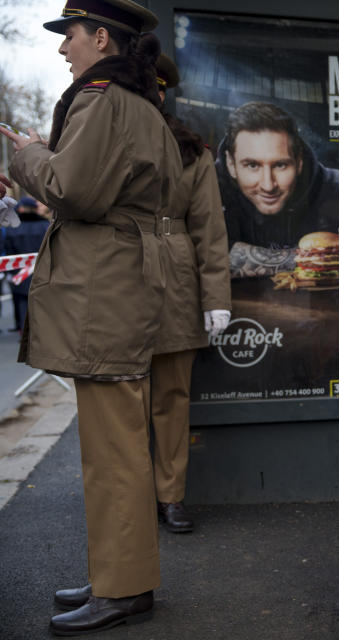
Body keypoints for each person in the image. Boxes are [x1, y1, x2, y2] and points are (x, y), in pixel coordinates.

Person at [0, 1, 182, 634]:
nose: (62, 49)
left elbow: (75, 190)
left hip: (106, 288)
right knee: (118, 443)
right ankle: (117, 575)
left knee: (113, 449)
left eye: (70, 36)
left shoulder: (102, 98)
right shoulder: (136, 101)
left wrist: (28, 155)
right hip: (119, 283)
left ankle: (124, 587)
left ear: (102, 37)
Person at [148, 54, 232, 532]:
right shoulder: (108, 137)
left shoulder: (190, 150)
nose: (152, 97)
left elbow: (208, 226)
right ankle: (129, 499)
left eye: (158, 89)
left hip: (177, 282)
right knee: (123, 405)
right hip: (122, 280)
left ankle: (170, 495)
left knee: (172, 397)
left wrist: (215, 297)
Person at [215, 101, 339, 278]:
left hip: (322, 307)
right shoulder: (211, 186)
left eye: (280, 165)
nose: (268, 185)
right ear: (231, 164)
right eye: (252, 165)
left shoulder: (334, 186)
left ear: (299, 162)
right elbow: (204, 257)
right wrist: (336, 258)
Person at [3, 196, 49, 333]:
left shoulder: (13, 228)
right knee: (43, 302)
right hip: (43, 270)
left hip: (19, 271)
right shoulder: (45, 226)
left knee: (22, 302)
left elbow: (8, 250)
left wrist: (10, 274)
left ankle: (24, 330)